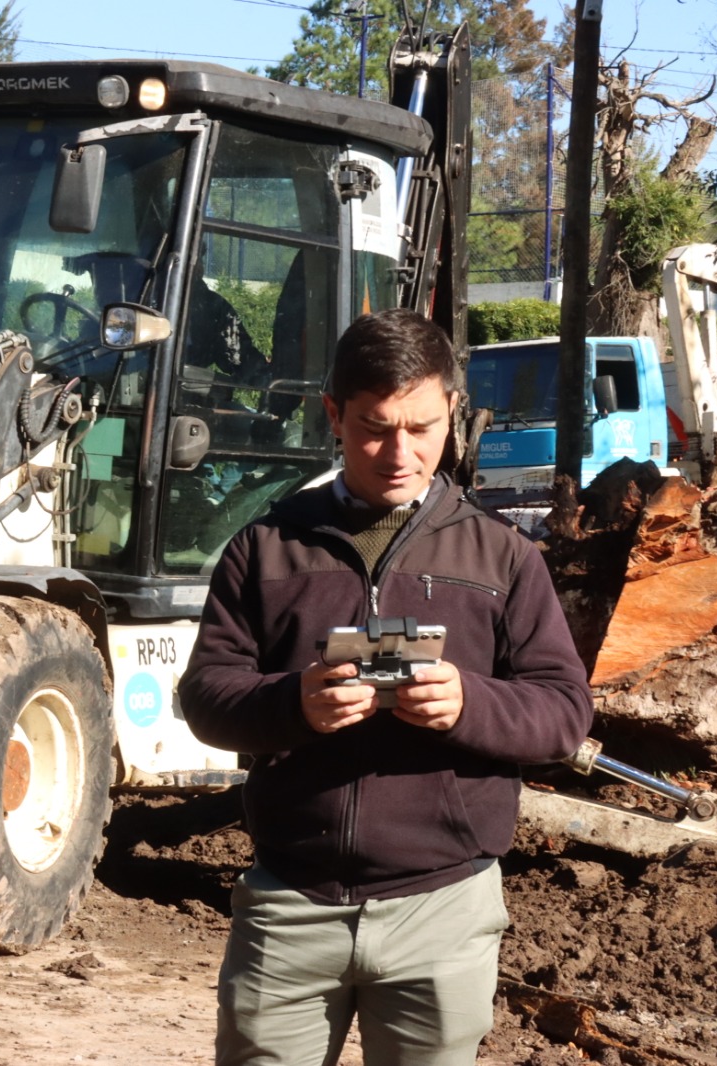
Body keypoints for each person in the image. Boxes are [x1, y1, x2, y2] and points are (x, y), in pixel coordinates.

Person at [180, 308, 593, 1066]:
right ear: (333, 414)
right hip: (290, 906)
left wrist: (471, 704)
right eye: (374, 428)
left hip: (444, 909)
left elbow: (565, 712)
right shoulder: (265, 549)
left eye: (422, 427)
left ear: (453, 413)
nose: (400, 453)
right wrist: (292, 704)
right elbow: (206, 695)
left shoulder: (504, 558)